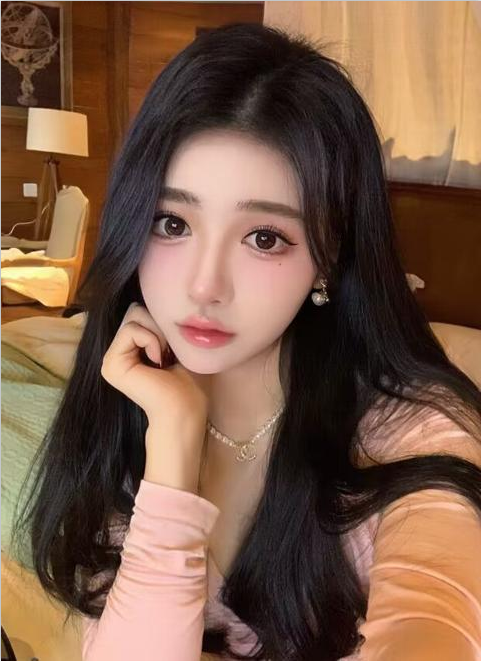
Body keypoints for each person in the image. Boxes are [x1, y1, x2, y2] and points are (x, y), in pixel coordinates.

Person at [11, 22, 481, 661]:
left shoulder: (411, 435)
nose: (204, 287)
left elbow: (436, 619)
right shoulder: (125, 407)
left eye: (265, 238)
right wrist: (174, 443)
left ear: (327, 258)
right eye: (171, 223)